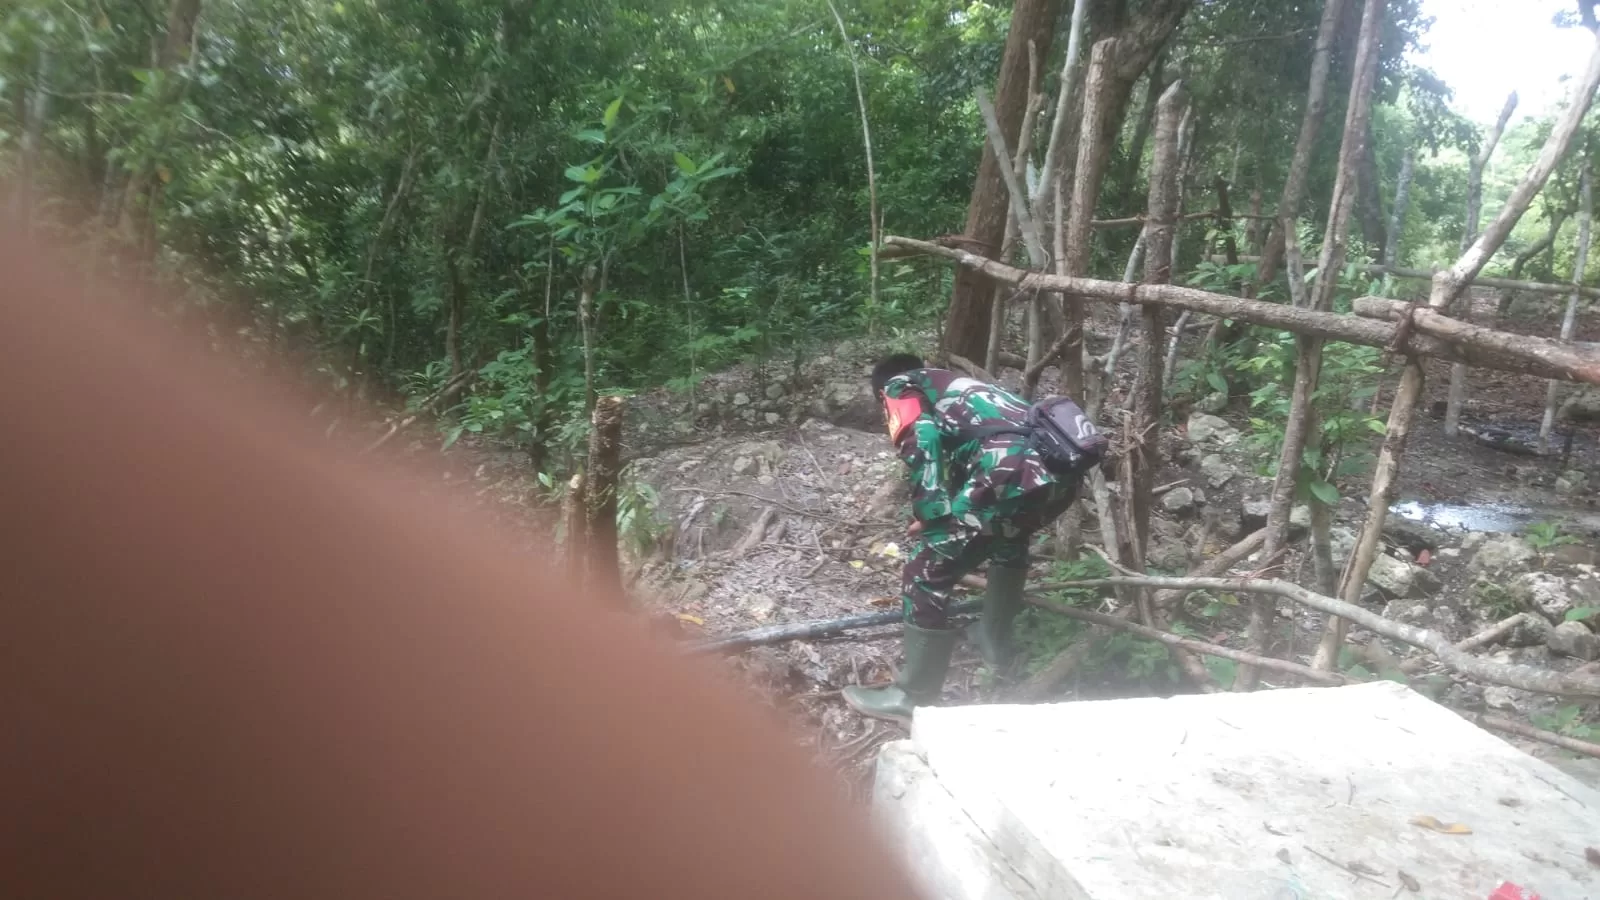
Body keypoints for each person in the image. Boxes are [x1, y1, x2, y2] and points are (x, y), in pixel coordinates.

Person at [842, 354, 1081, 723]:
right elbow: (972, 450)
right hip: (1060, 478)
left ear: (881, 393)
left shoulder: (898, 387)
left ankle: (912, 698)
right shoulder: (961, 387)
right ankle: (993, 641)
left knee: (926, 570)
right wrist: (947, 507)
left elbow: (922, 440)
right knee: (1009, 538)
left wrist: (931, 515)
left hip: (1008, 472)